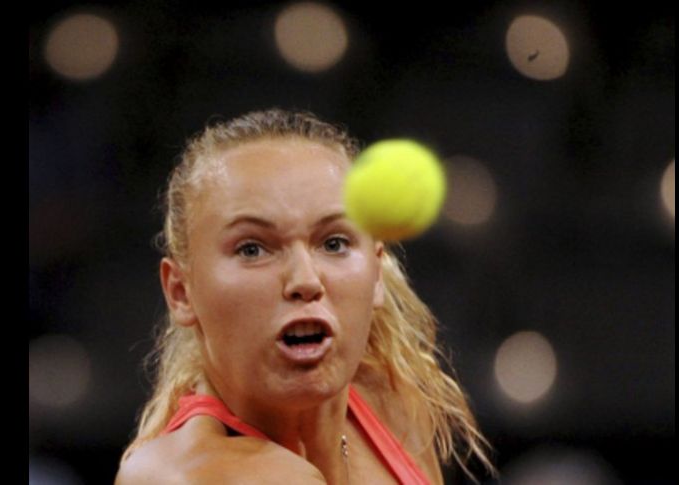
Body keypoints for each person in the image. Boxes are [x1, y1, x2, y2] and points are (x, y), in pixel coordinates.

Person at [115, 109, 496, 484]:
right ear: (181, 292)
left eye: (334, 242)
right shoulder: (182, 475)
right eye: (252, 249)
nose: (305, 280)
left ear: (377, 272)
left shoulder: (393, 404)